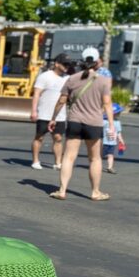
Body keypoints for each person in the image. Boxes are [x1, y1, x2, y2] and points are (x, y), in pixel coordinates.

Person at [47, 47, 114, 201]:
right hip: (94, 123)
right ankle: (95, 192)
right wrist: (111, 125)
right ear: (97, 62)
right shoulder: (103, 81)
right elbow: (107, 104)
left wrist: (53, 118)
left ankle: (62, 190)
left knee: (69, 157)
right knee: (95, 158)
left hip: (75, 121)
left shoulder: (72, 79)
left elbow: (62, 101)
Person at [30, 55, 71, 170]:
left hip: (60, 114)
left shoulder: (68, 78)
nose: (66, 66)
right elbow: (36, 94)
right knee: (39, 137)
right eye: (64, 64)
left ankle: (58, 163)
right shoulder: (45, 76)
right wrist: (34, 111)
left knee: (58, 138)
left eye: (68, 64)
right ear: (56, 64)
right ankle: (35, 161)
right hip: (44, 113)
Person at [102, 103, 125, 174]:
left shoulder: (117, 122)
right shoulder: (104, 121)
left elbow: (118, 132)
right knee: (99, 156)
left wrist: (121, 140)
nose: (119, 114)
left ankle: (110, 167)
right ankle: (96, 165)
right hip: (103, 142)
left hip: (112, 142)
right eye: (118, 113)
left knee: (110, 155)